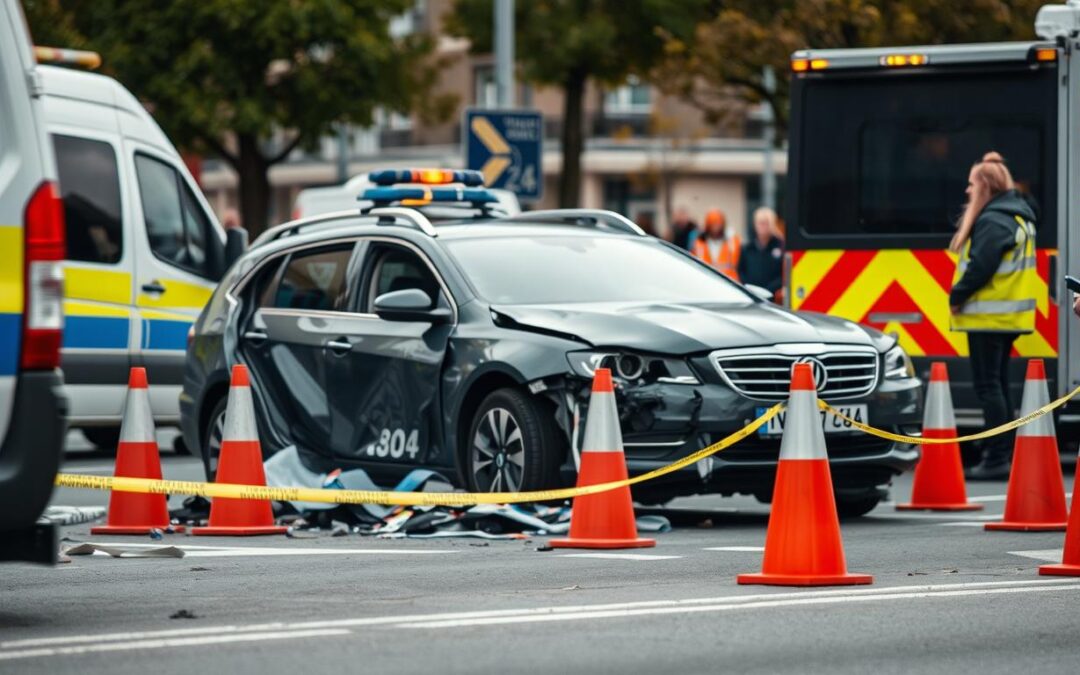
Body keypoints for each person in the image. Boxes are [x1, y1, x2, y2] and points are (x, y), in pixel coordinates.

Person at [949, 152, 1039, 480]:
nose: (968, 190)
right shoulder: (1017, 215)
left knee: (989, 387)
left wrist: (956, 296)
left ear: (986, 185)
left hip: (989, 317)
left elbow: (981, 266)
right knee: (998, 384)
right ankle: (1001, 454)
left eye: (972, 183)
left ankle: (996, 457)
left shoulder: (994, 219)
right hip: (1007, 318)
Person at [737, 207, 784, 297]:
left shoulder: (780, 246)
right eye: (759, 223)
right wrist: (750, 288)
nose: (762, 226)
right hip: (752, 294)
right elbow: (741, 270)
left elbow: (783, 273)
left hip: (773, 295)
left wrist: (769, 289)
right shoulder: (747, 248)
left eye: (765, 223)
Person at [692, 208, 741, 281]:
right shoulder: (699, 243)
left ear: (723, 224)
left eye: (718, 224)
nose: (715, 227)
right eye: (712, 224)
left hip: (729, 283)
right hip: (706, 281)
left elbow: (741, 265)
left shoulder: (732, 241)